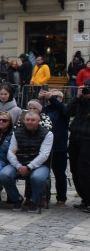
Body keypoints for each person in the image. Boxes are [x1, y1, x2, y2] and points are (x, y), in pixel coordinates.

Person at [39, 86, 69, 205]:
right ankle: (45, 196)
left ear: (61, 99)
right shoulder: (45, 109)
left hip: (59, 147)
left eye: (55, 97)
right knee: (44, 173)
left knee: (59, 174)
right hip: (44, 147)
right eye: (51, 96)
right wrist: (40, 98)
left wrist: (52, 98)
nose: (52, 98)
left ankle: (61, 198)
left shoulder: (64, 110)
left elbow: (63, 109)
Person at [67, 81, 90, 212]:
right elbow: (67, 112)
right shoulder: (80, 101)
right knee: (74, 170)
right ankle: (85, 199)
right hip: (75, 137)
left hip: (88, 140)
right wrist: (77, 97)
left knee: (84, 170)